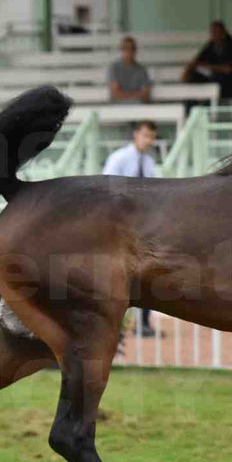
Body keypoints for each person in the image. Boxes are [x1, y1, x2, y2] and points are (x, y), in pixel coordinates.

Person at [102, 121, 159, 337]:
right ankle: (115, 326)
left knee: (147, 274)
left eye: (152, 137)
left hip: (142, 227)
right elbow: (107, 188)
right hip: (120, 225)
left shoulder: (150, 163)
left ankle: (143, 323)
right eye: (146, 135)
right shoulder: (119, 158)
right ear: (136, 135)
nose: (149, 141)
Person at [182, 20, 232, 99]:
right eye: (213, 32)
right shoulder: (210, 46)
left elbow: (228, 69)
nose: (216, 35)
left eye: (218, 32)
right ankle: (194, 104)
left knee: (217, 79)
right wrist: (188, 70)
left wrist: (208, 66)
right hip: (214, 77)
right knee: (193, 76)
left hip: (230, 82)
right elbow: (197, 61)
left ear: (224, 33)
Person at [108, 36, 152, 103]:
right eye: (125, 48)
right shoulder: (114, 68)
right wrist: (137, 95)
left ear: (135, 50)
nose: (128, 51)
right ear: (121, 50)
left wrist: (126, 95)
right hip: (119, 107)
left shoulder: (142, 70)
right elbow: (115, 95)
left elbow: (146, 95)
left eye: (131, 48)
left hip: (138, 107)